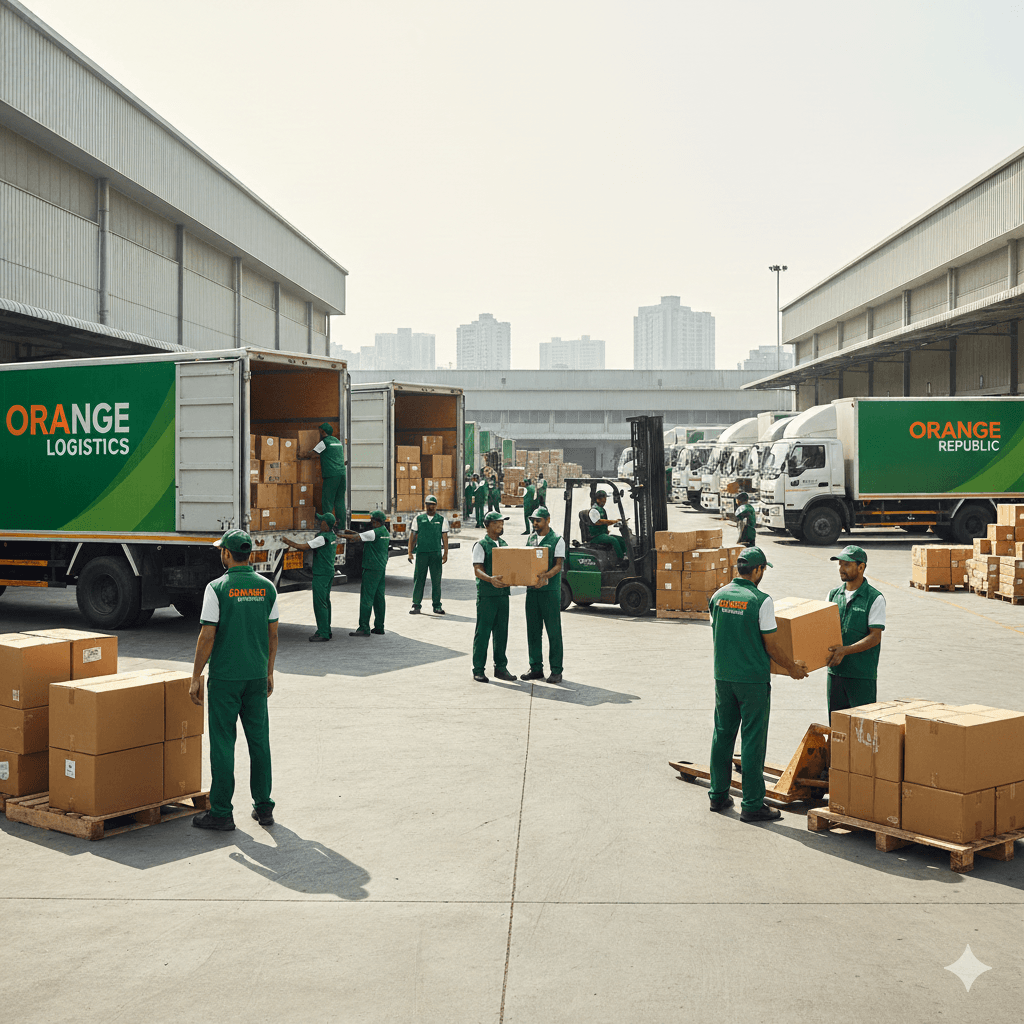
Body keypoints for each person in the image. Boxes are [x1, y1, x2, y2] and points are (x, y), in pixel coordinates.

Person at [707, 547, 808, 823]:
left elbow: (719, 631)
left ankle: (718, 795)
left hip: (723, 678)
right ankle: (752, 803)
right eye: (763, 569)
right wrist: (793, 668)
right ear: (758, 570)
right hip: (752, 680)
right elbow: (772, 645)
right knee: (752, 739)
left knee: (723, 734)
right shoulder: (761, 600)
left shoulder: (717, 596)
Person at [189, 529, 278, 831]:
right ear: (249, 554)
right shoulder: (267, 587)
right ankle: (264, 808)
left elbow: (207, 635)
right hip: (256, 675)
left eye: (221, 551)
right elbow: (273, 633)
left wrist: (196, 675)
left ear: (227, 554)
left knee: (223, 743)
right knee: (259, 742)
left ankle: (222, 812)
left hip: (226, 678)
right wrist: (269, 671)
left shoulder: (217, 588)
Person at [825, 544, 886, 716]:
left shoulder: (874, 598)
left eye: (847, 565)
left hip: (861, 675)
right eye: (840, 564)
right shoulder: (833, 595)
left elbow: (875, 637)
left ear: (861, 567)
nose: (841, 569)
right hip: (835, 672)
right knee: (837, 728)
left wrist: (846, 650)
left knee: (862, 728)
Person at [520, 506, 565, 684]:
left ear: (547, 520)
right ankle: (536, 668)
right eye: (533, 520)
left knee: (553, 632)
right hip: (532, 592)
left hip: (549, 592)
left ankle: (556, 670)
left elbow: (558, 565)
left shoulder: (557, 540)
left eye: (538, 520)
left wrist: (546, 576)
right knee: (533, 631)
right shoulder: (531, 539)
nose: (535, 523)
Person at [471, 512, 518, 683]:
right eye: (497, 523)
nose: (501, 526)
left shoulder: (504, 544)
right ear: (488, 525)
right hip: (487, 595)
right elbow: (477, 569)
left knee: (501, 633)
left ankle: (500, 667)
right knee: (483, 633)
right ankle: (478, 669)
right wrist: (490, 579)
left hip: (503, 595)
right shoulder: (481, 545)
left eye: (502, 523)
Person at [282, 511, 337, 642]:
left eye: (321, 521)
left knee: (320, 603)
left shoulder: (322, 538)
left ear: (326, 524)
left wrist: (286, 541)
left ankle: (323, 632)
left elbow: (302, 547)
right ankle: (326, 630)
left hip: (321, 573)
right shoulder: (332, 536)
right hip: (328, 571)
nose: (319, 522)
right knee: (326, 602)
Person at [341, 510, 389, 637]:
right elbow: (362, 535)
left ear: (377, 521)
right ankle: (379, 626)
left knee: (367, 598)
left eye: (373, 521)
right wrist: (347, 531)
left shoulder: (375, 532)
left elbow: (357, 538)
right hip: (380, 568)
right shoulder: (384, 532)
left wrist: (341, 536)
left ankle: (364, 627)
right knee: (379, 598)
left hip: (371, 567)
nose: (371, 523)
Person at [408, 495, 449, 615]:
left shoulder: (442, 520)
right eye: (428, 504)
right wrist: (410, 552)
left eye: (432, 504)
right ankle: (416, 605)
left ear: (436, 506)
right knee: (419, 579)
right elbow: (413, 536)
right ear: (425, 505)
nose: (430, 506)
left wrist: (445, 553)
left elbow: (445, 538)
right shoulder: (418, 519)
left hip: (435, 554)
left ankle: (437, 605)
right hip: (421, 553)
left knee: (436, 580)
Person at [306, 422, 346, 527]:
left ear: (323, 432)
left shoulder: (325, 442)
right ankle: (341, 525)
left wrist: (300, 454)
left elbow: (312, 454)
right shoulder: (338, 441)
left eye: (320, 431)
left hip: (331, 475)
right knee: (339, 501)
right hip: (342, 474)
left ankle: (328, 525)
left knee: (327, 500)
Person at [588, 490, 627, 561]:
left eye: (605, 500)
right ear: (598, 499)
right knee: (614, 540)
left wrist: (610, 525)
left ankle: (626, 555)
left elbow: (603, 523)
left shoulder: (601, 509)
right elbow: (598, 522)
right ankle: (621, 559)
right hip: (595, 537)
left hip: (602, 534)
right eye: (604, 500)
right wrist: (612, 521)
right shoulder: (593, 510)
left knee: (621, 539)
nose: (605, 502)